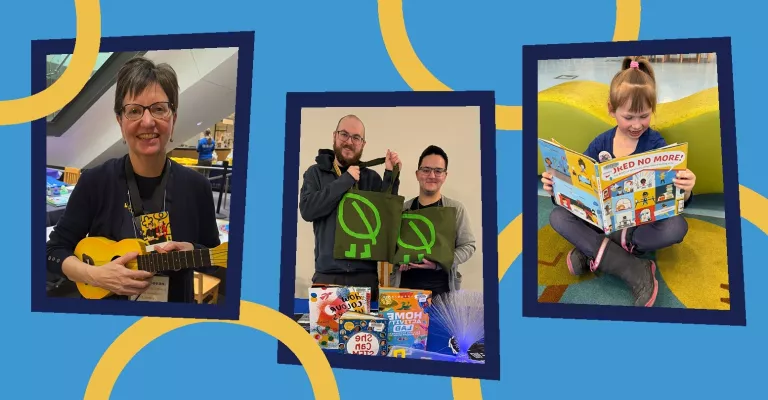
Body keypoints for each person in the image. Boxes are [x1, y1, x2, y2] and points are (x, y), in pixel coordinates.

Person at [45, 56, 221, 303]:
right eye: (134, 111)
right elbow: (52, 251)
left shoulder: (197, 187)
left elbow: (215, 259)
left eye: (159, 109)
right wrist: (94, 275)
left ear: (174, 118)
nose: (148, 121)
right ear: (120, 120)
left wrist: (193, 251)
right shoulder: (95, 182)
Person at [542, 56, 696, 307]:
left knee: (676, 227)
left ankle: (593, 250)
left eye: (644, 116)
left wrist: (686, 190)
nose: (637, 125)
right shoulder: (600, 143)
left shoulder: (656, 145)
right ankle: (634, 269)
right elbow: (581, 188)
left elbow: (672, 200)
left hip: (638, 227)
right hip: (601, 223)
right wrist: (556, 187)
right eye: (629, 117)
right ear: (611, 110)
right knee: (558, 217)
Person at [299, 115, 402, 301]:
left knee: (366, 332)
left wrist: (390, 176)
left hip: (365, 278)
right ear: (334, 136)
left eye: (356, 137)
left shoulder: (371, 178)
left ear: (363, 144)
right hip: (328, 277)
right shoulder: (315, 173)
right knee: (325, 331)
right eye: (344, 134)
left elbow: (386, 221)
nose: (349, 141)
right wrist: (345, 180)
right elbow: (308, 210)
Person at [390, 145, 476, 298]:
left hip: (443, 296)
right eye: (426, 170)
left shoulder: (456, 209)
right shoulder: (403, 210)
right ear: (417, 174)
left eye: (438, 171)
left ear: (445, 175)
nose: (432, 175)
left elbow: (468, 246)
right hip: (405, 294)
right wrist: (399, 259)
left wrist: (440, 263)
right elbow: (392, 247)